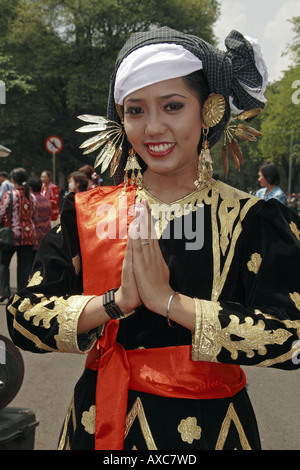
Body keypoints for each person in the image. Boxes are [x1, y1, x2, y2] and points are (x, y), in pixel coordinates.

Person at [6, 27, 300, 451]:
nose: (153, 127)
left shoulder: (254, 220)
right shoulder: (86, 212)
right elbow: (22, 318)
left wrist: (169, 303)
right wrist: (113, 303)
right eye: (136, 110)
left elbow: (289, 336)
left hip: (213, 428)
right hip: (99, 421)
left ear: (209, 112)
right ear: (121, 119)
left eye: (173, 106)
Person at [0, 168, 36, 302]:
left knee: (3, 263)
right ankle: (21, 295)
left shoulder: (10, 194)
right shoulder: (31, 196)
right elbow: (34, 215)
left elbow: (1, 212)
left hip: (11, 236)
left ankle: (4, 292)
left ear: (13, 180)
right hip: (28, 236)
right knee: (24, 267)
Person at [28, 177, 51, 265]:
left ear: (30, 188)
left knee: (31, 266)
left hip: (33, 239)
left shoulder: (30, 201)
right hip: (45, 238)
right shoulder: (46, 201)